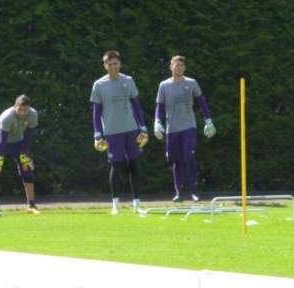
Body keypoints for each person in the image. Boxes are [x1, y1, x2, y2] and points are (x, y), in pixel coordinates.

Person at [90, 50, 149, 215]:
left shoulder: (128, 80)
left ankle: (137, 204)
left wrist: (143, 127)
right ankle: (115, 204)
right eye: (109, 64)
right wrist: (97, 133)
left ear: (120, 64)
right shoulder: (99, 85)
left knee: (135, 164)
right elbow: (96, 111)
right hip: (111, 133)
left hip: (132, 131)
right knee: (116, 166)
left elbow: (136, 105)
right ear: (104, 65)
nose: (113, 67)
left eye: (115, 63)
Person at [154, 55, 216, 202]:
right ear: (171, 67)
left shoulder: (191, 83)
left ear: (184, 68)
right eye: (176, 65)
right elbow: (160, 106)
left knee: (189, 156)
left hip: (189, 127)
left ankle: (194, 192)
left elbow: (201, 102)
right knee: (175, 160)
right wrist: (157, 121)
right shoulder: (164, 85)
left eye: (181, 66)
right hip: (172, 129)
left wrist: (208, 121)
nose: (179, 68)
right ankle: (179, 193)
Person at [0, 94, 39, 214]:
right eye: (19, 109)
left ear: (29, 109)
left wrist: (24, 154)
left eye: (25, 110)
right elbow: (3, 139)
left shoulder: (33, 115)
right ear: (15, 107)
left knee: (27, 170)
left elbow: (28, 136)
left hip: (18, 142)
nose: (22, 113)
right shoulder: (7, 117)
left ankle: (31, 205)